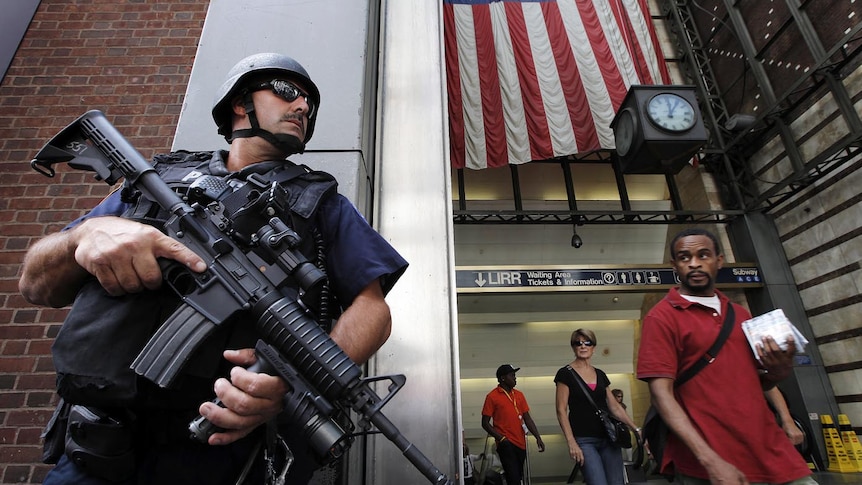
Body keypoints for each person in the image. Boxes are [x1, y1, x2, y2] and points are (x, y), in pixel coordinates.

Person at [19, 52, 408, 485]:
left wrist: (293, 381)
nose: (302, 107)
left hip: (219, 450)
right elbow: (36, 285)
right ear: (240, 103)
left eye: (308, 103)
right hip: (96, 444)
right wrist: (85, 235)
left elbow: (373, 308)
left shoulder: (320, 203)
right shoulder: (158, 180)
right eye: (286, 92)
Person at [636, 228, 814, 484]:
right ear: (675, 265)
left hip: (772, 450)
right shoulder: (661, 317)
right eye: (684, 257)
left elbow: (758, 381)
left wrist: (780, 370)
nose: (694, 263)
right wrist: (709, 460)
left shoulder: (741, 315)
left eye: (703, 255)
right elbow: (661, 394)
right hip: (710, 459)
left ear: (719, 260)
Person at [554, 329, 639, 485]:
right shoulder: (565, 374)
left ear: (594, 347)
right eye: (578, 343)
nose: (583, 346)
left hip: (609, 438)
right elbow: (561, 410)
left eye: (588, 342)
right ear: (573, 347)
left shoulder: (600, 374)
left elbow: (615, 407)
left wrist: (636, 429)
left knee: (616, 482)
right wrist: (571, 442)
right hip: (584, 441)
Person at [481, 364, 545, 485]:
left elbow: (527, 419)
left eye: (515, 375)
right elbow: (485, 423)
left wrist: (538, 437)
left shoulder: (519, 395)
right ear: (502, 378)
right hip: (506, 444)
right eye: (512, 375)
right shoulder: (492, 396)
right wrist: (501, 438)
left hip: (521, 443)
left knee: (517, 477)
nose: (515, 378)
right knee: (514, 478)